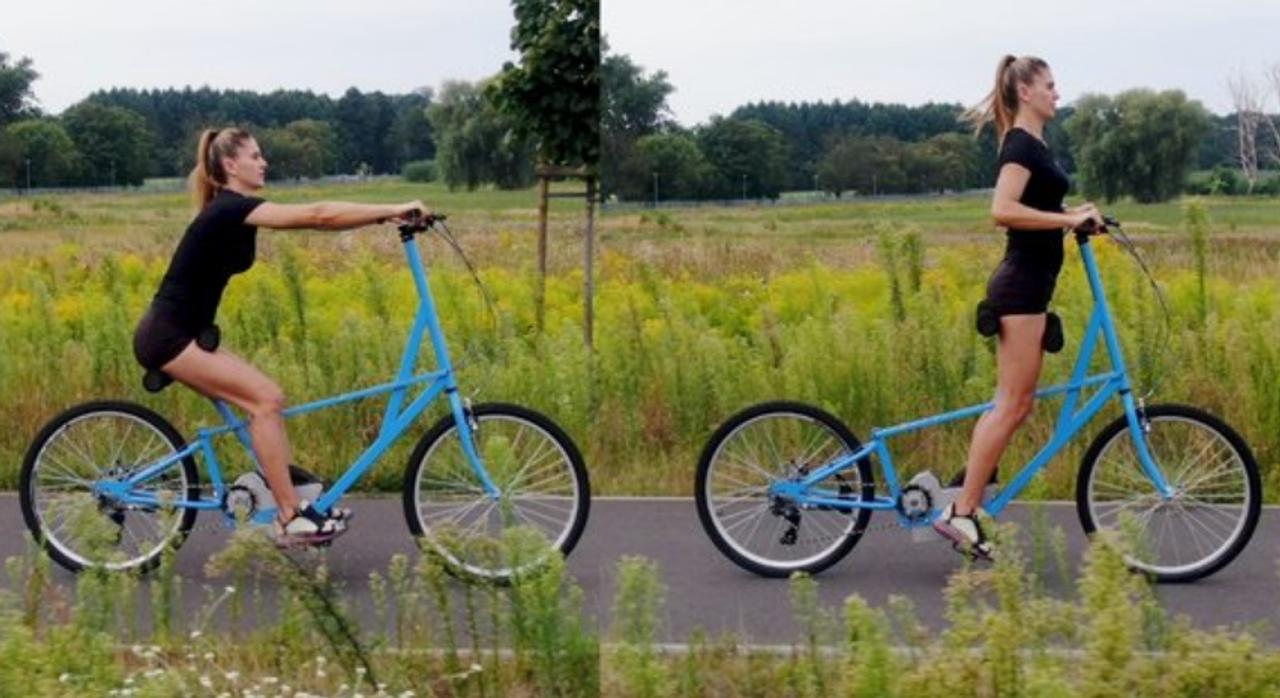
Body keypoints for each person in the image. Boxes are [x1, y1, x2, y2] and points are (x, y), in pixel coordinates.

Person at [133, 127, 428, 545]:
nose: (264, 162)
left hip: (185, 335)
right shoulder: (228, 209)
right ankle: (290, 517)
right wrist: (390, 209)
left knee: (268, 397)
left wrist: (391, 215)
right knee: (265, 400)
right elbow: (319, 216)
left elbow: (319, 219)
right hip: (168, 338)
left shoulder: (231, 209)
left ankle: (291, 499)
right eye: (255, 155)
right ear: (231, 166)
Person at [932, 56, 1104, 559]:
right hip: (1020, 288)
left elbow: (1043, 207)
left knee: (1018, 403)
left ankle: (971, 487)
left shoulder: (1037, 145)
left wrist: (1078, 216)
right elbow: (1001, 210)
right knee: (1011, 402)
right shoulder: (1020, 144)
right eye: (1050, 85)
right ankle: (962, 513)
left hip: (1032, 288)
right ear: (1025, 91)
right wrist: (1067, 220)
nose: (1058, 92)